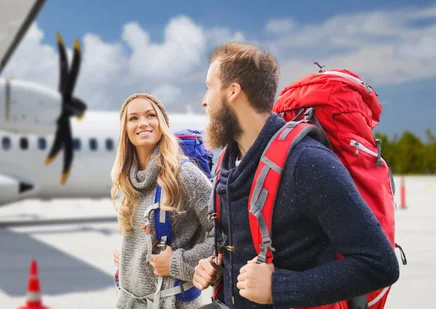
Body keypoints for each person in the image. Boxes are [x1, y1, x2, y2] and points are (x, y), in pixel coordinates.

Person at [192, 43, 400, 308]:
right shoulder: (227, 164)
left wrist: (279, 288)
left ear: (233, 91)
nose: (204, 100)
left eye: (209, 87)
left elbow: (379, 265)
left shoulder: (307, 163)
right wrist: (216, 267)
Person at [110, 93, 215, 309]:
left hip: (171, 303)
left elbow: (225, 236)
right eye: (133, 118)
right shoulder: (129, 181)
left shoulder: (184, 175)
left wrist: (177, 263)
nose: (143, 123)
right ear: (125, 130)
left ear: (162, 124)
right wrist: (131, 258)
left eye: (151, 115)